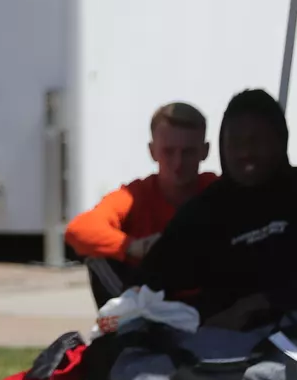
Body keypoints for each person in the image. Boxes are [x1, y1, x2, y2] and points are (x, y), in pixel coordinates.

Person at [141, 89, 297, 380]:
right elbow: (157, 278)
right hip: (229, 344)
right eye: (236, 143)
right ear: (222, 148)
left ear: (280, 142)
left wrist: (261, 303)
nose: (245, 153)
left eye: (257, 141)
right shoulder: (207, 209)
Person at [65, 101, 217, 308]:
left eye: (188, 152)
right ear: (152, 151)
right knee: (98, 257)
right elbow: (79, 230)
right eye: (168, 152)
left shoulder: (218, 191)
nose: (178, 163)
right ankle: (124, 330)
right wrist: (133, 247)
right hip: (147, 304)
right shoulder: (135, 195)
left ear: (205, 151)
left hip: (209, 302)